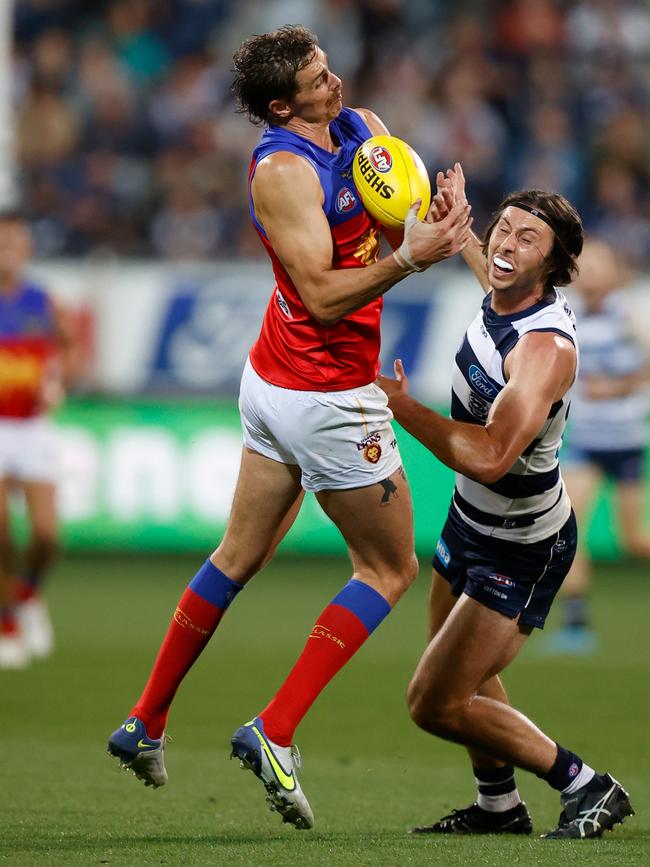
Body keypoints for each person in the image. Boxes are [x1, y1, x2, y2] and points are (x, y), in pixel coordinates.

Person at [106, 24, 472, 830]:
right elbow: (323, 295)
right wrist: (412, 258)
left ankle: (145, 720)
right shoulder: (281, 170)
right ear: (281, 105)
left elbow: (391, 218)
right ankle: (275, 728)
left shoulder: (363, 128)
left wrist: (433, 221)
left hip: (273, 379)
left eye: (328, 66)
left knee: (239, 555)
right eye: (316, 79)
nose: (334, 82)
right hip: (325, 392)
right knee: (389, 568)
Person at [376, 173, 634, 839]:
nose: (506, 245)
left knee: (433, 701)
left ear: (552, 261)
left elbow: (492, 454)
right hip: (471, 521)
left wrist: (406, 410)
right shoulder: (505, 289)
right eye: (505, 230)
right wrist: (461, 224)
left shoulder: (543, 348)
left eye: (528, 237)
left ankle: (588, 784)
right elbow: (486, 260)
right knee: (458, 666)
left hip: (522, 542)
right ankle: (498, 806)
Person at [544, 238, 650, 654]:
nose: (588, 272)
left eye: (597, 265)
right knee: (567, 528)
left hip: (624, 440)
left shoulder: (627, 312)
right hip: (586, 440)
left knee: (634, 541)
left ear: (613, 271)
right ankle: (575, 623)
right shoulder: (567, 314)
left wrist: (616, 387)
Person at [0, 209, 79, 669]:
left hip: (32, 427)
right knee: (2, 534)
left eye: (16, 241)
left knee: (47, 536)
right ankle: (7, 618)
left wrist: (60, 380)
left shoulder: (42, 301)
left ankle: (27, 594)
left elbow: (71, 345)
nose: (9, 250)